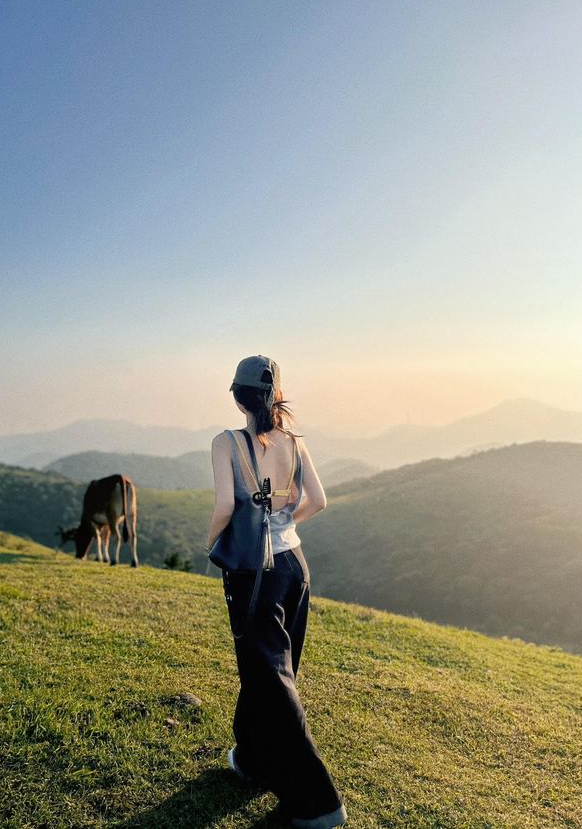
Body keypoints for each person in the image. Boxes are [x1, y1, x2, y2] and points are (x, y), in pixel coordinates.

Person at [205, 355, 348, 829]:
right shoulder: (294, 441)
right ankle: (253, 759)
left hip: (254, 572)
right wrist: (285, 524)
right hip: (294, 567)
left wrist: (209, 545)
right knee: (271, 674)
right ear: (275, 395)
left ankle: (318, 805)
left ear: (236, 395)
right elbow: (319, 501)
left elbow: (226, 506)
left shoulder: (226, 442)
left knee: (272, 680)